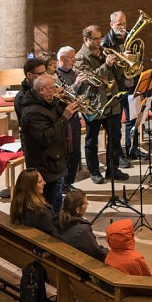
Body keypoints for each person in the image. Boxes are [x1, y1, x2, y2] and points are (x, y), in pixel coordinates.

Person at [75, 24, 128, 184]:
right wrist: (107, 65)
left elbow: (116, 73)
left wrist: (121, 62)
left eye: (100, 37)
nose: (100, 41)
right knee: (92, 140)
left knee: (115, 138)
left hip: (112, 100)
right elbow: (91, 79)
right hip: (94, 103)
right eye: (96, 39)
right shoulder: (80, 57)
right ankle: (94, 171)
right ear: (86, 39)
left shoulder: (104, 51)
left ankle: (113, 169)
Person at [20, 73, 78, 214]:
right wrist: (65, 117)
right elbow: (46, 137)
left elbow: (59, 120)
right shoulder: (32, 112)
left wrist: (67, 106)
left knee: (57, 197)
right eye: (51, 88)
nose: (55, 91)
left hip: (56, 160)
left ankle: (55, 221)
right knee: (50, 201)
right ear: (41, 90)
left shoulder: (48, 102)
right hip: (46, 165)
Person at [102, 11, 139, 162]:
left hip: (131, 83)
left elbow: (139, 55)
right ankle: (118, 155)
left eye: (124, 23)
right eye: (119, 24)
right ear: (111, 25)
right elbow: (107, 68)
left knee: (134, 119)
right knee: (116, 126)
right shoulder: (106, 42)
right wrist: (123, 57)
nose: (122, 27)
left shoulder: (131, 37)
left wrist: (136, 61)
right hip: (117, 87)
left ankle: (133, 149)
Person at [53, 47, 83, 191]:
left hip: (74, 116)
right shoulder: (55, 75)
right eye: (72, 58)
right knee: (66, 152)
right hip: (63, 118)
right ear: (63, 59)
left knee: (76, 151)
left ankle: (69, 183)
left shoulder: (73, 72)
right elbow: (63, 96)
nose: (75, 60)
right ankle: (62, 185)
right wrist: (76, 84)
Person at [55, 190, 107, 260]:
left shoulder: (57, 220)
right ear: (78, 209)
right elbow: (96, 253)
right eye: (85, 203)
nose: (88, 204)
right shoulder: (82, 230)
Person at [9, 168, 56, 235]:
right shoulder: (42, 212)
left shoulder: (17, 204)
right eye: (40, 182)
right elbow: (53, 233)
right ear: (30, 188)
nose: (44, 183)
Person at [13, 57, 48, 126]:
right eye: (40, 74)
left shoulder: (41, 89)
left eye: (45, 73)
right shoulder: (21, 98)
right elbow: (35, 122)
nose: (44, 77)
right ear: (29, 75)